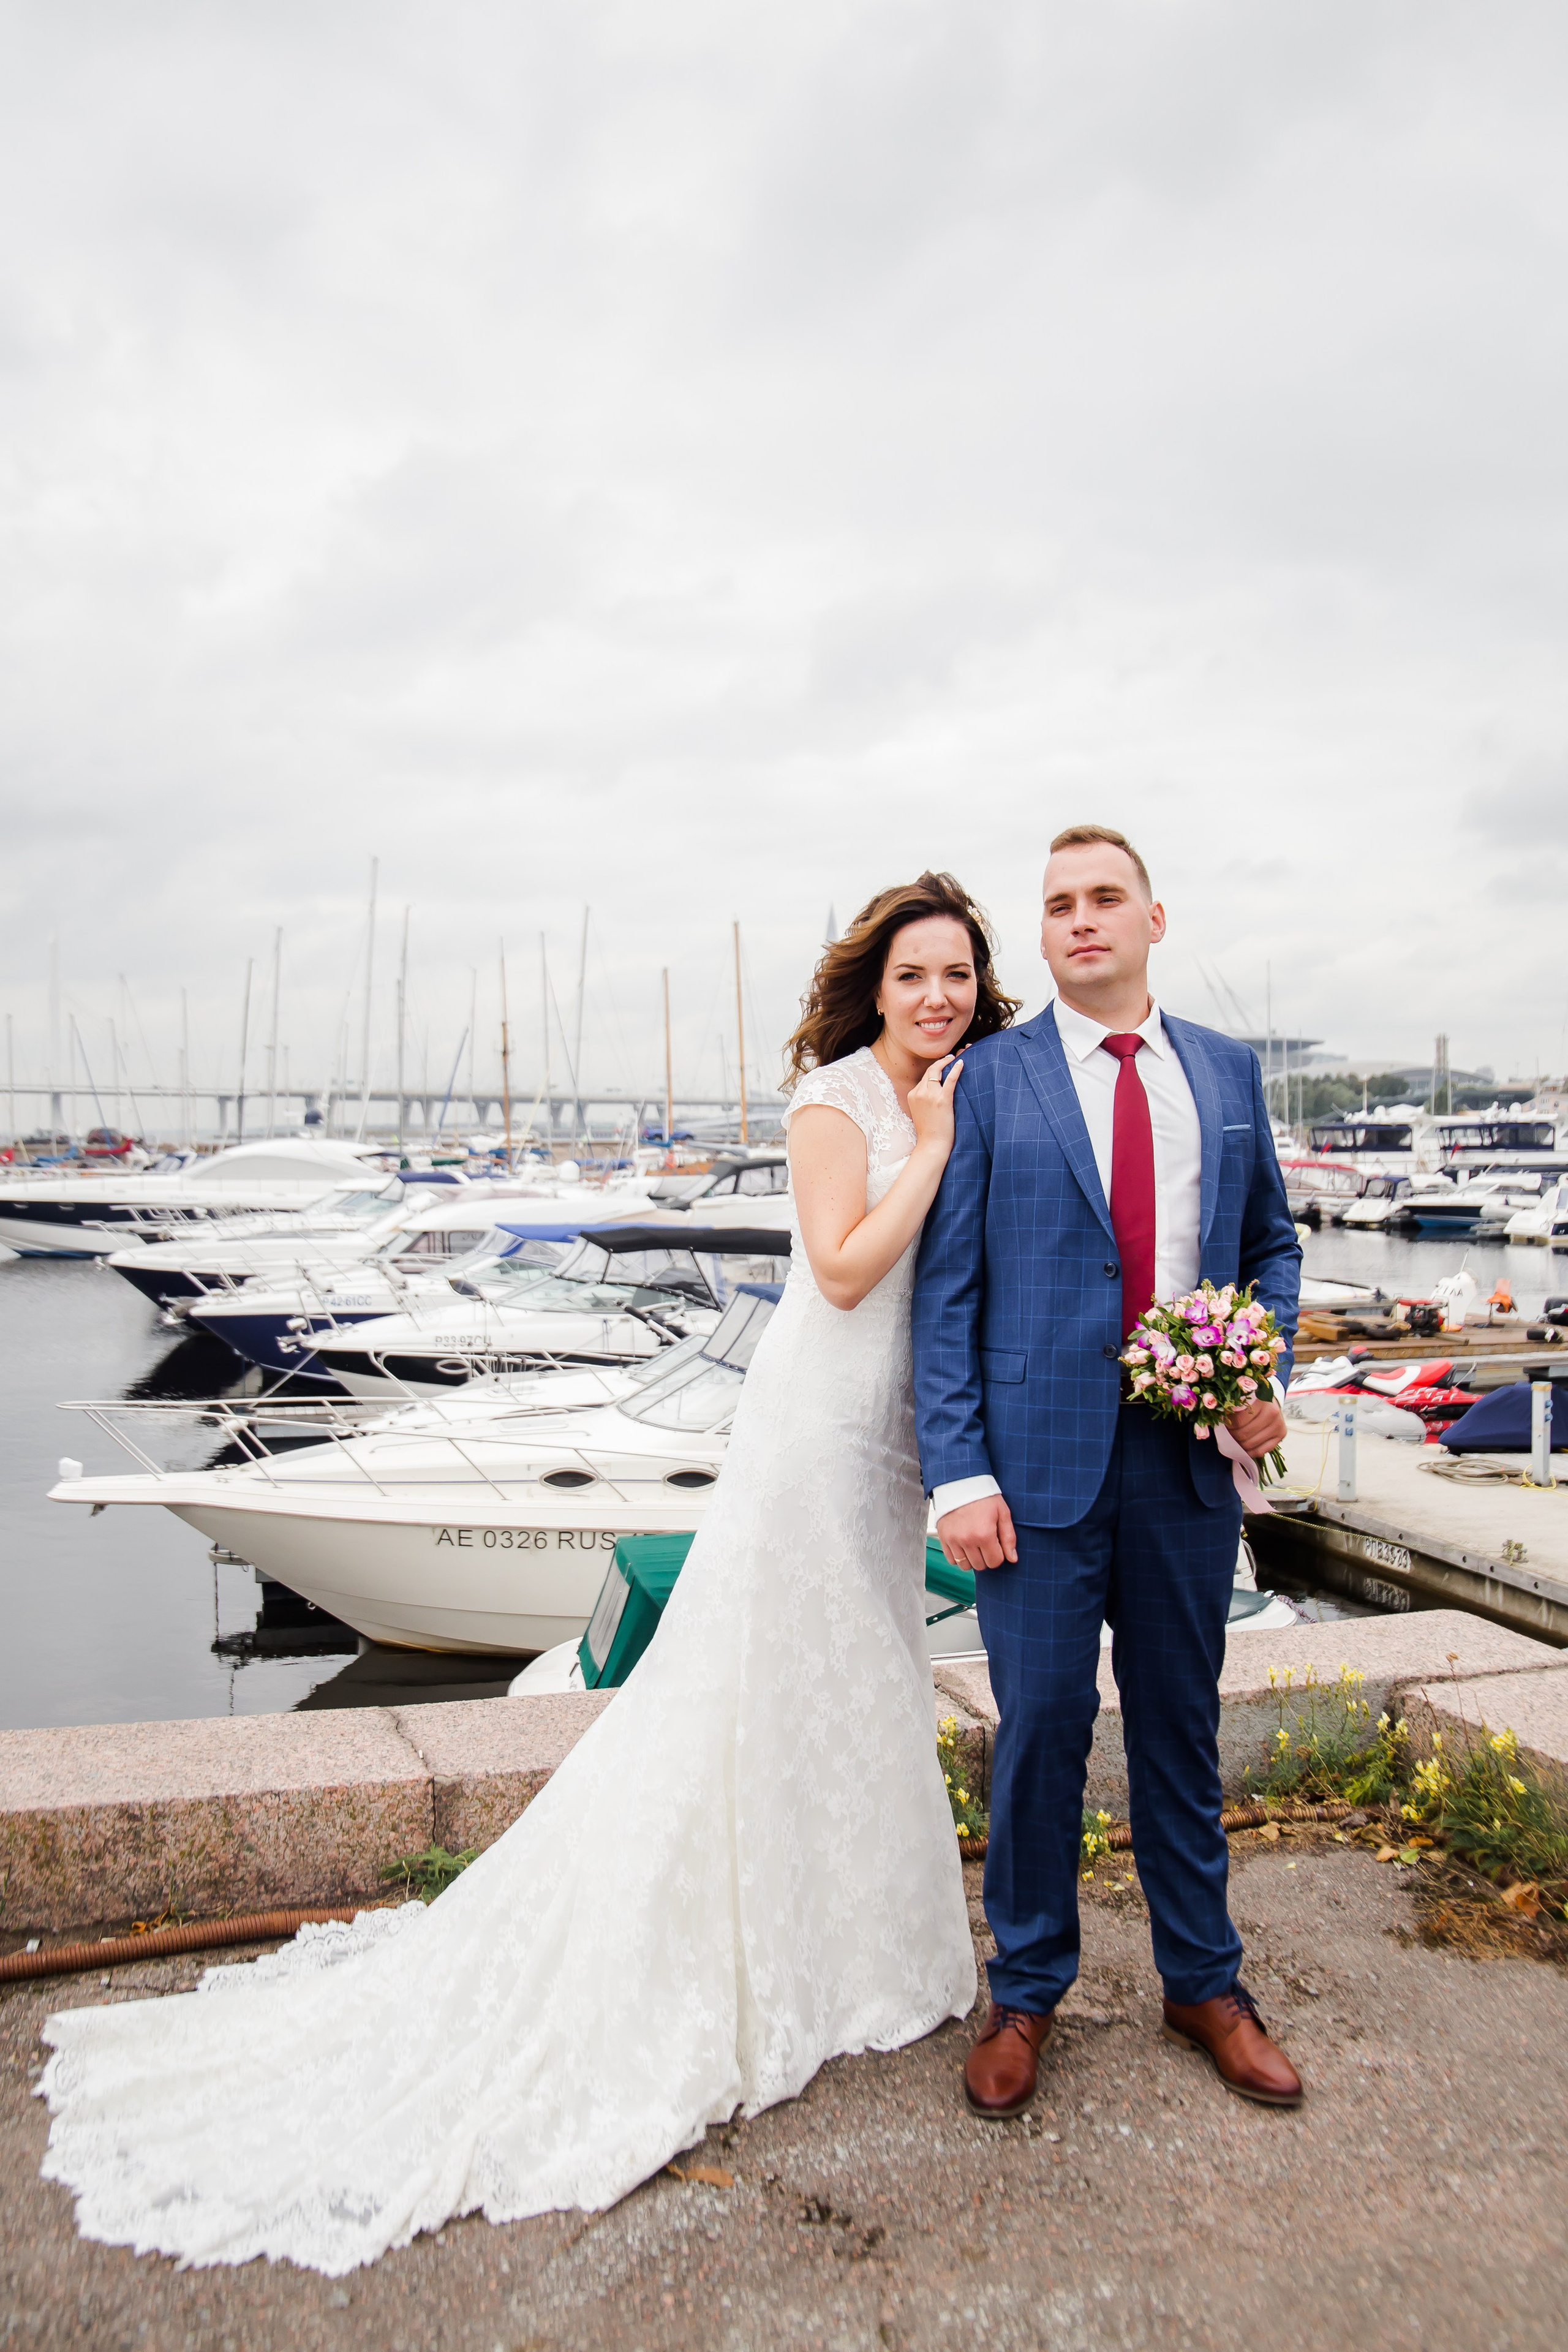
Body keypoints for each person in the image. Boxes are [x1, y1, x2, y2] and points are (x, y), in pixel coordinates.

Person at [37, 871, 1016, 2275]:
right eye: (914, 975)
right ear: (872, 986)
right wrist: (921, 1140)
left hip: (891, 1440)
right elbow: (847, 1268)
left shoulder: (963, 1087)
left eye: (957, 977)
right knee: (756, 1675)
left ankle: (853, 1942)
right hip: (812, 1429)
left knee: (858, 1668)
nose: (938, 997)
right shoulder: (839, 1103)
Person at [913, 825, 1303, 2120]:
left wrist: (1257, 1365)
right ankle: (1023, 1992)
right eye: (1056, 906)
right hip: (1032, 1476)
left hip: (1184, 1470)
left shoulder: (1228, 1072)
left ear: (1150, 918)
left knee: (1182, 1731)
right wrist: (956, 1469)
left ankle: (1203, 1982)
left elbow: (1268, 1248)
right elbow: (948, 1292)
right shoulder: (988, 1079)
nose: (1080, 920)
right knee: (1036, 1736)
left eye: (1103, 899)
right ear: (1042, 935)